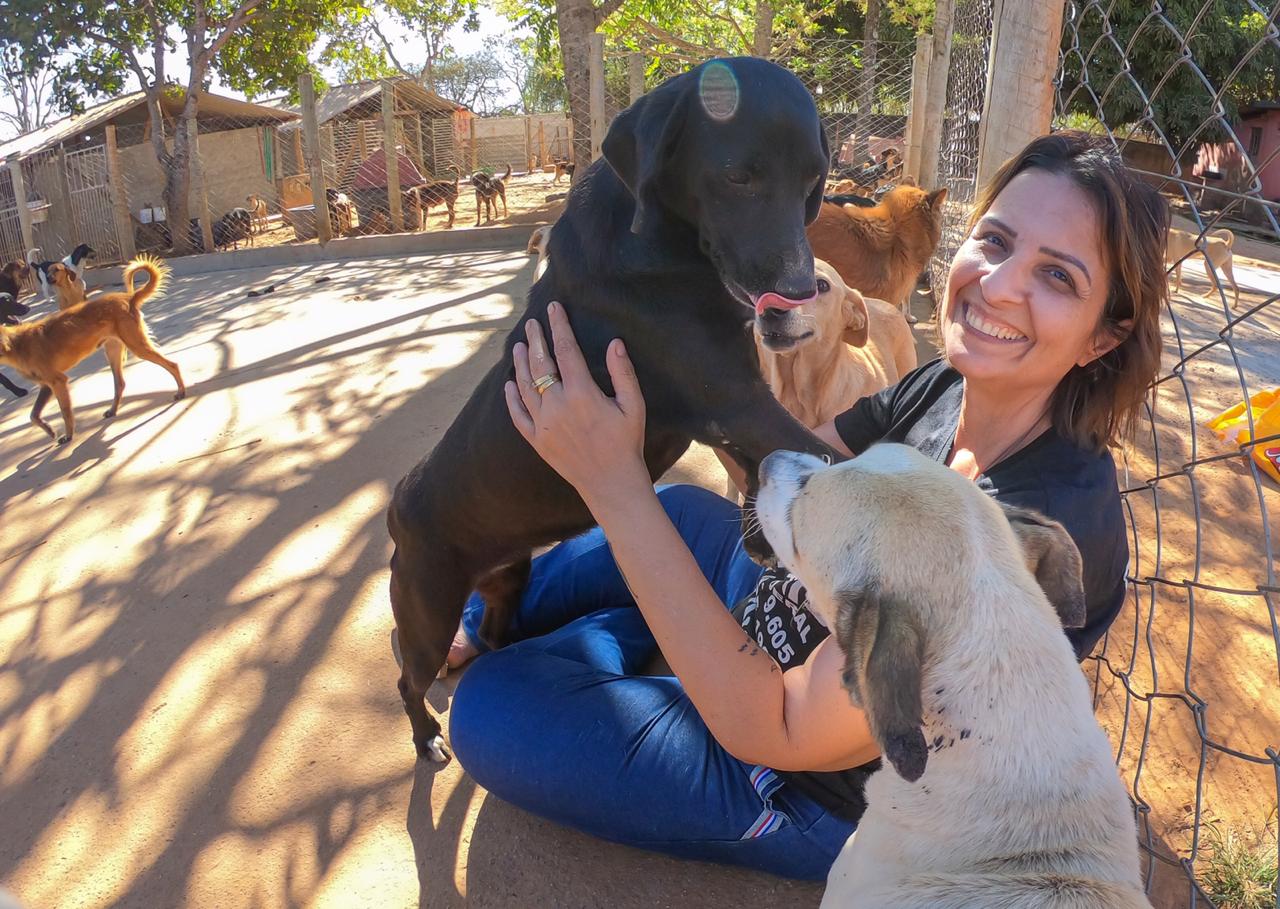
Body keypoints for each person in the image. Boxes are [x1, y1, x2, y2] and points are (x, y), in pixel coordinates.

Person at [444, 132, 1169, 880]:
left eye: (1057, 276)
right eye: (996, 239)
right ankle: (497, 618)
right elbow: (790, 461)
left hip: (799, 774)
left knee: (489, 707)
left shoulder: (1031, 530)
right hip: (782, 602)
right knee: (685, 510)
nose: (999, 283)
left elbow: (782, 725)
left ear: (1104, 336)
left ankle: (619, 636)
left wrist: (611, 481)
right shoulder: (949, 386)